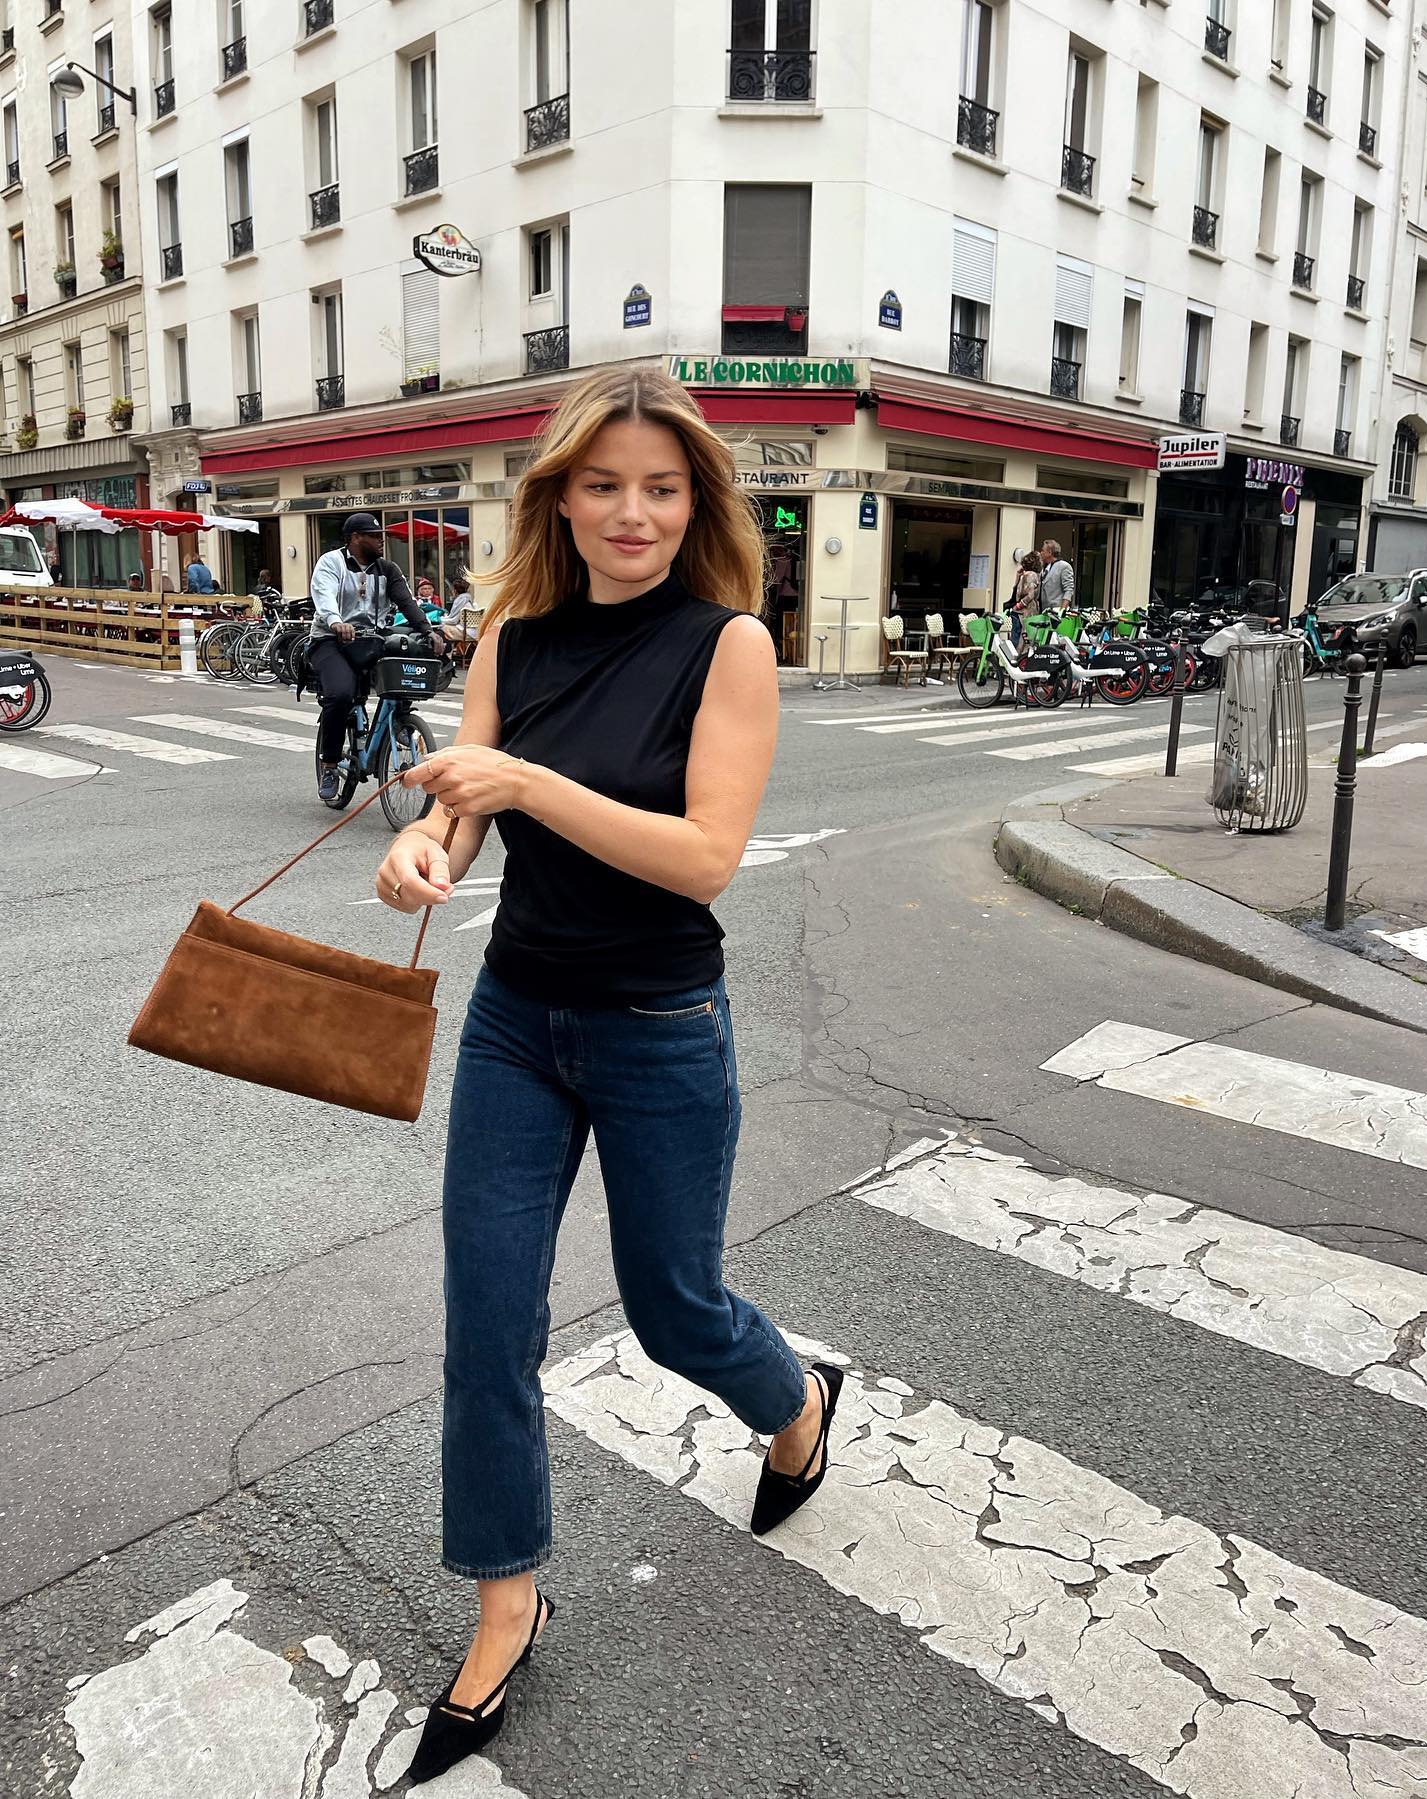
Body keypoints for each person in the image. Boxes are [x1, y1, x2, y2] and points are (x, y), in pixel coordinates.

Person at [375, 367, 842, 1787]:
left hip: (657, 1022)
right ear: (558, 495)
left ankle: (798, 1404)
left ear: (694, 499)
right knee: (486, 1316)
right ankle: (506, 1600)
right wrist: (425, 857)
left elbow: (703, 856)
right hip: (519, 1016)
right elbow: (461, 820)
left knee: (675, 1306)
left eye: (660, 485)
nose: (631, 511)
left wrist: (521, 790)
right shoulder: (514, 633)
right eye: (602, 483)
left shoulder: (731, 644)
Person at [309, 513, 445, 801]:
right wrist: (336, 622)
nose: (381, 539)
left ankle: (399, 723)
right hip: (332, 640)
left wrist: (428, 631)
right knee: (341, 695)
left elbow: (406, 602)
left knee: (406, 663)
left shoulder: (387, 569)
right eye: (373, 535)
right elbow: (324, 597)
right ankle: (331, 765)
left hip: (371, 640)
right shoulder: (331, 563)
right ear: (355, 538)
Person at [1007, 550, 1043, 649]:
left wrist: (1019, 605)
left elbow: (1029, 595)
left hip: (1021, 612)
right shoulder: (1036, 576)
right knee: (1025, 638)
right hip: (1029, 612)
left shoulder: (1029, 575)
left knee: (1017, 638)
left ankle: (1014, 659)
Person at [1038, 538, 1075, 611]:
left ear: (1050, 552)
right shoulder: (1044, 568)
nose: (1040, 553)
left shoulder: (1064, 566)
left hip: (1056, 610)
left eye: (1043, 550)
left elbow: (1069, 590)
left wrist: (1062, 610)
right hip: (1044, 611)